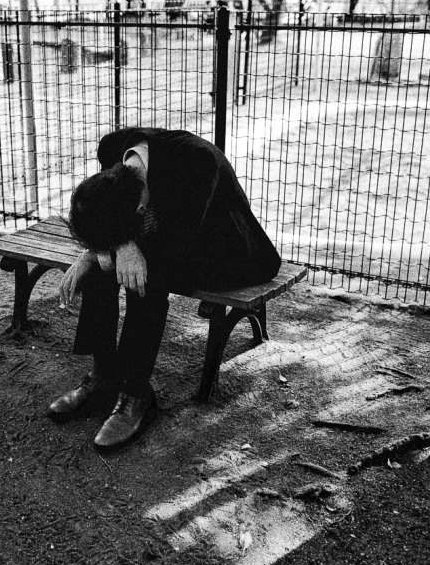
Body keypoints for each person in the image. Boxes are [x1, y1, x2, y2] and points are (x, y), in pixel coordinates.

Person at [51, 127, 281, 450]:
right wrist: (94, 253)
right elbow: (116, 220)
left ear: (140, 210)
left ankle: (136, 393)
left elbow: (177, 245)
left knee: (143, 275)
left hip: (227, 249)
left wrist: (120, 249)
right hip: (171, 238)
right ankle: (103, 376)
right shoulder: (113, 149)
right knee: (107, 265)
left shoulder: (197, 164)